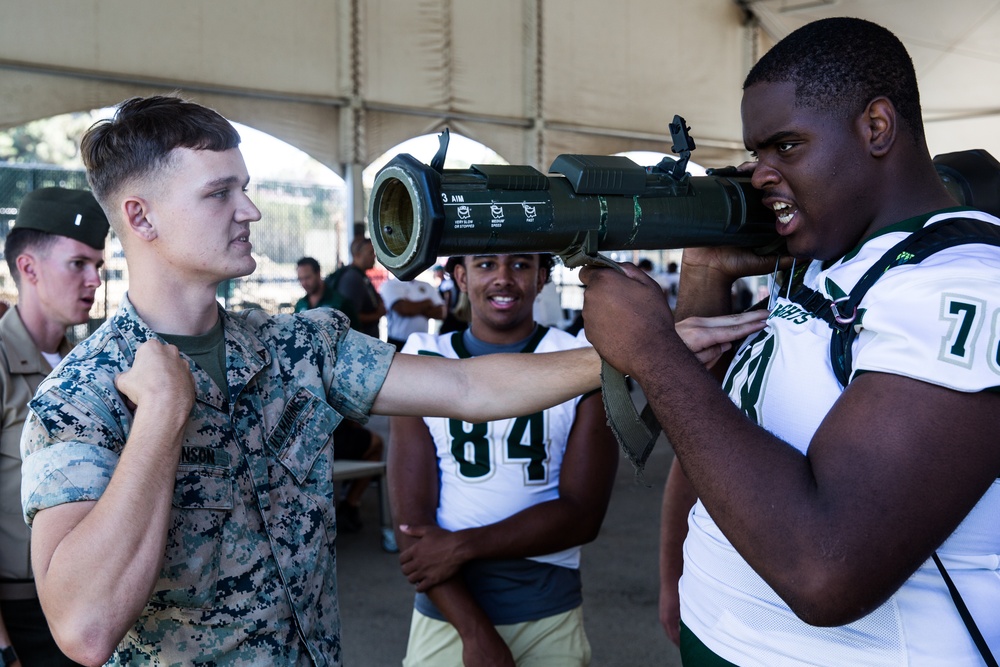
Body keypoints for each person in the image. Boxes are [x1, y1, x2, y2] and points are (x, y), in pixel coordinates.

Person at [16, 95, 765, 666]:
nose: (251, 209)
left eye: (245, 186)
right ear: (140, 217)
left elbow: (469, 390)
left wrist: (642, 351)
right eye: (220, 193)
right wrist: (158, 422)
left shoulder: (294, 345)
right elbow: (84, 627)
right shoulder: (79, 400)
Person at [579, 17, 1000, 666]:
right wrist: (704, 276)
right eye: (755, 153)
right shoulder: (829, 254)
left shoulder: (963, 282)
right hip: (720, 634)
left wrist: (653, 350)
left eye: (786, 147)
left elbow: (825, 570)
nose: (760, 174)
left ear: (876, 127)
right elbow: (719, 434)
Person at [389, 253, 618, 666]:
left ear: (542, 277)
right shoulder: (422, 356)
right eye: (485, 265)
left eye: (519, 265)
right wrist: (474, 632)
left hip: (547, 603)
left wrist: (460, 546)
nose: (502, 278)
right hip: (448, 603)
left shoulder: (582, 358)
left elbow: (584, 515)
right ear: (460, 275)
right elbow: (410, 526)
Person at [0, 188, 107, 667]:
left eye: (99, 266)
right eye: (78, 264)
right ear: (29, 268)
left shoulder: (83, 368)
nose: (94, 280)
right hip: (20, 616)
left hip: (90, 605)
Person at [295, 256, 379, 533]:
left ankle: (349, 503)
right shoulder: (300, 305)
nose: (305, 283)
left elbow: (356, 347)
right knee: (372, 444)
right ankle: (347, 503)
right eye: (301, 278)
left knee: (364, 440)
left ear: (319, 275)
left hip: (338, 394)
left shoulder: (341, 303)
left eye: (308, 277)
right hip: (314, 400)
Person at [330, 236, 386, 338]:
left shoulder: (360, 275)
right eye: (370, 253)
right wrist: (377, 315)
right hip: (360, 342)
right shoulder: (352, 278)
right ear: (358, 255)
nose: (374, 256)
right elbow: (349, 316)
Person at [379, 275, 446, 351]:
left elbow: (441, 313)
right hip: (397, 342)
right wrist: (427, 303)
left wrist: (412, 306)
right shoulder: (389, 285)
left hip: (421, 342)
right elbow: (404, 309)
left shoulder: (427, 286)